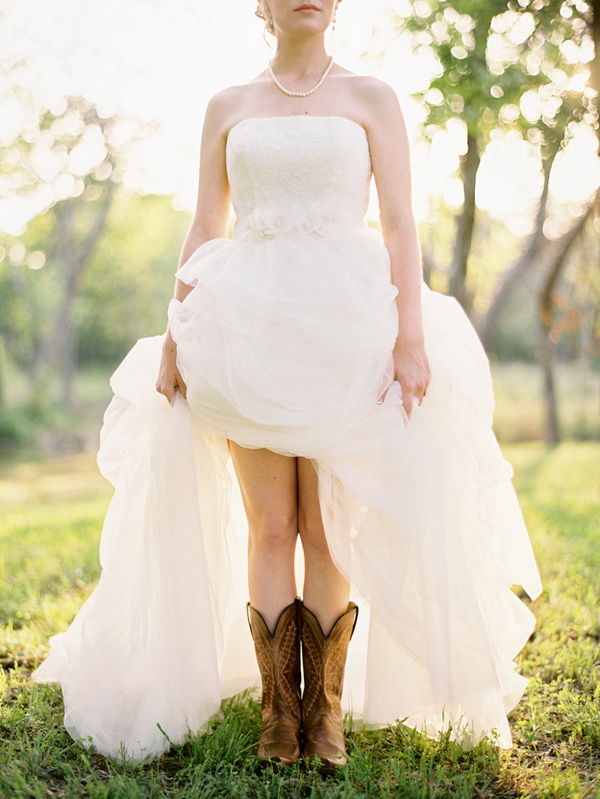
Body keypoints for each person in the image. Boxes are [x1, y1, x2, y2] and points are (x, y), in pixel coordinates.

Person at [32, 0, 542, 769]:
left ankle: (325, 713)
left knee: (328, 526)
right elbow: (205, 226)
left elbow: (401, 222)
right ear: (261, 7)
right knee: (271, 524)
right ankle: (281, 713)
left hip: (349, 325)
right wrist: (175, 337)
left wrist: (409, 334)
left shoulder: (372, 97)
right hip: (249, 330)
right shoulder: (228, 106)